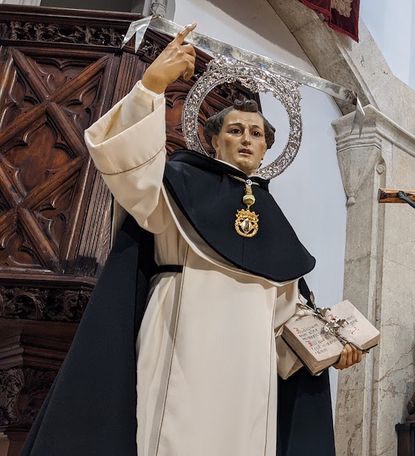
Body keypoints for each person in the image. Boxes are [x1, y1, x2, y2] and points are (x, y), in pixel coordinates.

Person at [22, 24, 362, 456]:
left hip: (250, 368)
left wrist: (326, 350)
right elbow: (131, 175)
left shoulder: (275, 220)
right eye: (235, 130)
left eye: (256, 133)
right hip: (182, 334)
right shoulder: (179, 182)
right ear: (214, 140)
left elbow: (284, 319)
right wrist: (150, 87)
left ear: (266, 149)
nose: (246, 139)